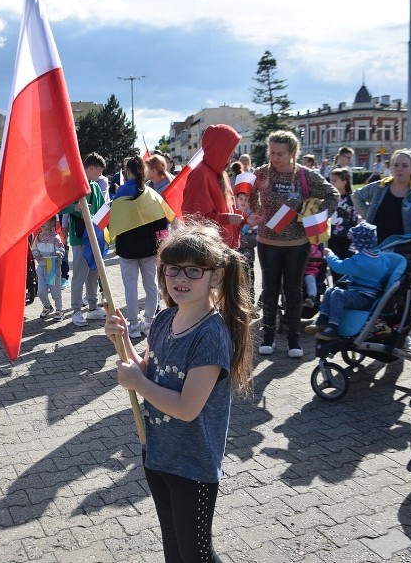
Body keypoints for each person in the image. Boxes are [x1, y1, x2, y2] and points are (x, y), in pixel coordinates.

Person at [103, 223, 253, 562]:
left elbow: (187, 408)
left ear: (215, 277)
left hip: (193, 465)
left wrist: (138, 384)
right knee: (173, 545)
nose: (180, 278)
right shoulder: (163, 319)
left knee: (196, 553)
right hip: (156, 453)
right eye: (173, 269)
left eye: (193, 270)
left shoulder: (211, 336)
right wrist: (122, 338)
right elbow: (147, 371)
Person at [248, 130, 339, 358]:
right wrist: (255, 211)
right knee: (269, 290)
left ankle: (293, 339)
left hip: (297, 244)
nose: (274, 157)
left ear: (292, 153)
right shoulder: (261, 173)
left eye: (280, 153)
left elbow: (333, 195)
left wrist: (313, 217)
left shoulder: (305, 176)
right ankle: (268, 337)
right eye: (271, 152)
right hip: (267, 241)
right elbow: (246, 193)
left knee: (293, 290)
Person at [304, 222, 406, 340]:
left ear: (359, 242)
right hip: (370, 294)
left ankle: (333, 326)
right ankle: (322, 319)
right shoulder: (383, 258)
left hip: (364, 297)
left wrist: (330, 255)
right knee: (331, 290)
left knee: (337, 294)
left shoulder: (361, 260)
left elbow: (339, 267)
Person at [110, 156, 174, 338]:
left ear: (128, 171)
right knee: (152, 286)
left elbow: (112, 221)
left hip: (127, 250)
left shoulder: (120, 194)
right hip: (150, 249)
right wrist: (163, 246)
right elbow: (164, 223)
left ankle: (133, 326)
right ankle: (149, 321)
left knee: (130, 287)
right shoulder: (153, 195)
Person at [60, 153, 108, 327]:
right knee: (80, 274)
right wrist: (75, 207)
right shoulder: (75, 185)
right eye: (100, 171)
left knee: (94, 272)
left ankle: (93, 307)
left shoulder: (95, 186)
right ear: (92, 168)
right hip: (80, 237)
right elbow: (61, 205)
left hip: (96, 236)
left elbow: (103, 207)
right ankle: (76, 310)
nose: (101, 174)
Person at [182, 124, 244, 249]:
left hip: (222, 247)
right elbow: (194, 219)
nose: (234, 153)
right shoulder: (200, 174)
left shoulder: (222, 173)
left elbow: (227, 210)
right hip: (209, 249)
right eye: (231, 148)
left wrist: (246, 219)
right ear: (220, 148)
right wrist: (226, 219)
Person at [31, 215, 64, 319]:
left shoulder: (55, 238)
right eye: (41, 220)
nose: (43, 223)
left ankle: (59, 310)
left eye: (46, 220)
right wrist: (36, 254)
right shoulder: (38, 237)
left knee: (55, 292)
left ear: (53, 223)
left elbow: (62, 250)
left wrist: (57, 252)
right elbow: (34, 248)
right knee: (41, 292)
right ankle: (47, 306)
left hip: (51, 267)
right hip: (41, 268)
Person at [326, 167, 359, 270]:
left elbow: (354, 219)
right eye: (330, 180)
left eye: (334, 180)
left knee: (346, 264)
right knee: (334, 264)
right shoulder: (331, 197)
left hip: (346, 237)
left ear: (344, 182)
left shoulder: (352, 198)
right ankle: (335, 284)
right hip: (332, 236)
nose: (331, 183)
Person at [234, 177, 257, 305]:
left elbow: (255, 239)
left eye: (246, 199)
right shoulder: (233, 215)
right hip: (235, 253)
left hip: (248, 254)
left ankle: (250, 304)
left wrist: (240, 239)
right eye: (240, 199)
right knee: (236, 279)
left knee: (249, 279)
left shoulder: (252, 216)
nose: (243, 202)